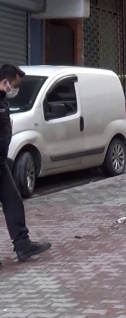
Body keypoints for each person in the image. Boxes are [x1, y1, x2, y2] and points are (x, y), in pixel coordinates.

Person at [0, 65, 51, 265]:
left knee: (13, 201)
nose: (16, 89)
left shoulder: (3, 100)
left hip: (1, 162)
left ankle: (23, 245)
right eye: (16, 85)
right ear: (5, 82)